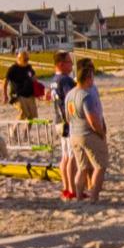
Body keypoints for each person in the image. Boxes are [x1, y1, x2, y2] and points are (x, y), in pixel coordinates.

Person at [65, 59, 107, 202]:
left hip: (74, 134)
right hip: (87, 134)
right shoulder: (85, 96)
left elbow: (67, 117)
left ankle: (78, 196)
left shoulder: (70, 94)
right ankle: (94, 197)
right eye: (91, 77)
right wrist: (101, 132)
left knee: (82, 167)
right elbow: (92, 120)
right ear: (88, 78)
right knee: (99, 166)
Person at [49, 51, 79, 201]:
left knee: (65, 156)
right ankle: (71, 189)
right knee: (71, 157)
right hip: (67, 122)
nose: (71, 65)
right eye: (68, 62)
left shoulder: (54, 80)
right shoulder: (65, 80)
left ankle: (66, 188)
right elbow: (71, 101)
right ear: (61, 64)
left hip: (59, 121)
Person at [4, 50, 38, 121]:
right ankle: (13, 130)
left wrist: (39, 92)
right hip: (17, 95)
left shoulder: (29, 68)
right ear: (19, 59)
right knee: (24, 113)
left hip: (29, 95)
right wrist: (5, 95)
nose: (26, 61)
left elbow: (34, 79)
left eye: (27, 59)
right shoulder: (13, 69)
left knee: (32, 116)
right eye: (25, 59)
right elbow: (5, 82)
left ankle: (26, 131)